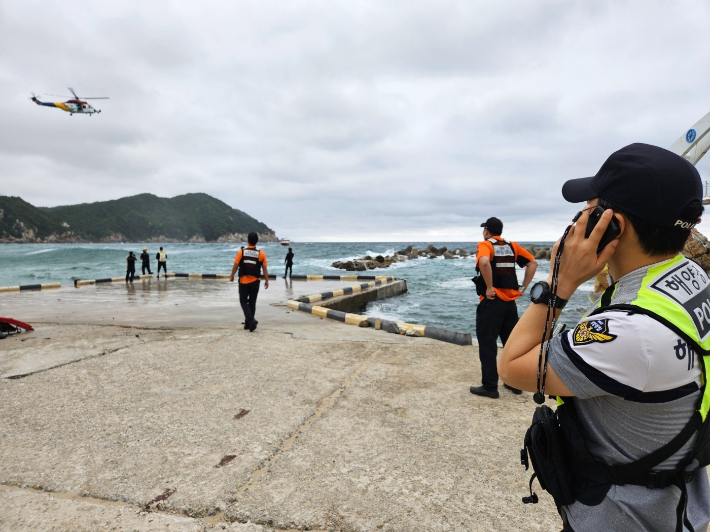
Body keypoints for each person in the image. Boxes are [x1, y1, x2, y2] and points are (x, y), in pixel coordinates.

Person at [499, 143, 710, 531]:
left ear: (613, 225)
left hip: (624, 517)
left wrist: (560, 282)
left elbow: (511, 367)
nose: (580, 215)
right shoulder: (695, 282)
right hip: (681, 508)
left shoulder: (632, 333)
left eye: (589, 207)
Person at [470, 217, 537, 399]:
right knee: (511, 344)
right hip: (510, 304)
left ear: (486, 231)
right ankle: (514, 383)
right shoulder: (512, 246)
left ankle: (490, 387)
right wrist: (524, 286)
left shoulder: (485, 245)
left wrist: (490, 287)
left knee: (487, 343)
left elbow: (484, 262)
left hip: (492, 303)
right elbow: (533, 263)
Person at [229, 232, 269, 332]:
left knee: (243, 301)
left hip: (243, 282)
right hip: (256, 282)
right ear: (257, 241)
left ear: (248, 240)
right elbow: (264, 269)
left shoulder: (241, 252)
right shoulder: (261, 254)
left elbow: (235, 265)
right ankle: (248, 324)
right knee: (252, 302)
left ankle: (251, 320)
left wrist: (232, 276)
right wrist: (267, 280)